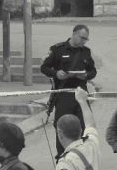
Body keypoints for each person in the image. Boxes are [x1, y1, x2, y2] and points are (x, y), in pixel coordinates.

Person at [40, 25, 97, 157]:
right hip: (63, 95)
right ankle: (63, 157)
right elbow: (44, 68)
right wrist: (56, 73)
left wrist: (86, 75)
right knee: (63, 127)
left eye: (86, 39)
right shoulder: (58, 49)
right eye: (82, 38)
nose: (84, 41)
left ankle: (82, 156)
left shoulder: (86, 52)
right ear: (74, 34)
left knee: (85, 127)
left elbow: (93, 71)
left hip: (80, 94)